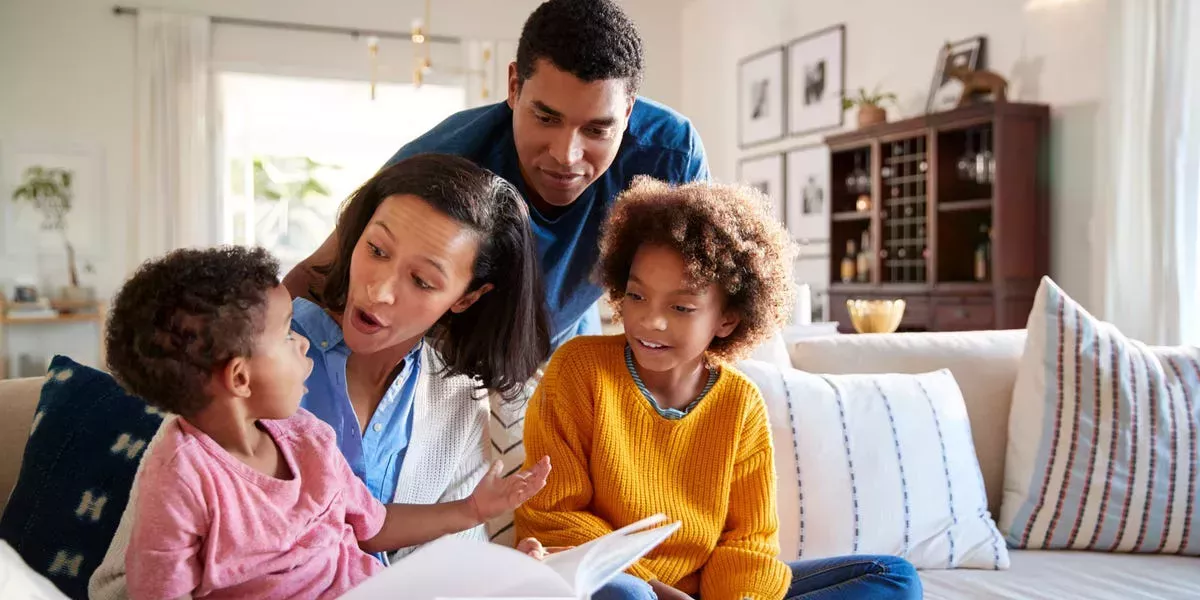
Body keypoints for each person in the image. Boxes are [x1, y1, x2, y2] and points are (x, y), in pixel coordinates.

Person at [90, 154, 555, 599]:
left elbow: (416, 552)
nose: (377, 290)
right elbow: (128, 582)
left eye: (422, 281)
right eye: (375, 250)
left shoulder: (449, 403)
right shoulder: (242, 355)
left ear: (467, 298)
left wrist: (506, 577)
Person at [514, 178, 922, 600]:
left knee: (893, 577)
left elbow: (749, 539)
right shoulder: (579, 369)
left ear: (726, 319)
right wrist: (656, 588)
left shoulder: (740, 402)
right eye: (637, 296)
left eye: (681, 307)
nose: (650, 320)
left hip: (708, 590)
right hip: (614, 580)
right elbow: (552, 512)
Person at [285, 0, 709, 349]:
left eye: (597, 129)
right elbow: (315, 279)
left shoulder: (669, 155)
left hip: (567, 341)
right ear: (513, 87)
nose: (566, 155)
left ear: (629, 112)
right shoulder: (442, 159)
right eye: (546, 118)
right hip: (453, 349)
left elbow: (700, 295)